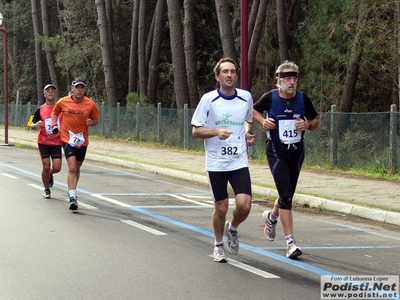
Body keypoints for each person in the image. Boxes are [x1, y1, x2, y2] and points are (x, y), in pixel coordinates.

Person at [191, 57, 256, 262]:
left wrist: (247, 134)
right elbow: (196, 131)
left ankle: (233, 228)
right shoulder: (208, 100)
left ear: (236, 75)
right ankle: (218, 245)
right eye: (225, 72)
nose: (229, 75)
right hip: (216, 162)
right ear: (218, 76)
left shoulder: (246, 97)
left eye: (233, 71)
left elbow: (249, 122)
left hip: (238, 160)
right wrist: (215, 131)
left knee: (244, 205)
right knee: (221, 207)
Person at [253, 60, 318, 259]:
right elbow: (254, 110)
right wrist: (263, 121)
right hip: (276, 151)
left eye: (294, 78)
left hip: (297, 152)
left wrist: (307, 125)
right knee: (287, 197)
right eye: (288, 78)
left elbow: (315, 120)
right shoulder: (270, 98)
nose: (292, 82)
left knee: (286, 192)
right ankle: (290, 242)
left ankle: (272, 217)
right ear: (279, 80)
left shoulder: (302, 99)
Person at [51, 78, 99, 211]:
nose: (79, 90)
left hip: (82, 140)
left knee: (77, 168)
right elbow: (55, 113)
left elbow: (96, 119)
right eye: (77, 87)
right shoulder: (63, 101)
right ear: (72, 88)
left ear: (85, 89)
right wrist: (54, 124)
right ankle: (73, 197)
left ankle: (71, 189)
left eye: (82, 87)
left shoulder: (90, 104)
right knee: (72, 167)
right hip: (67, 139)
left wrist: (92, 123)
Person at [30, 84, 62, 199]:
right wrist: (35, 125)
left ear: (55, 93)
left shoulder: (60, 108)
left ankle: (50, 174)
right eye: (48, 91)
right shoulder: (40, 109)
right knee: (46, 166)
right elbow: (31, 124)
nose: (50, 92)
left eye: (52, 90)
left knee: (57, 167)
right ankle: (47, 188)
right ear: (44, 94)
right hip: (43, 141)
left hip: (57, 142)